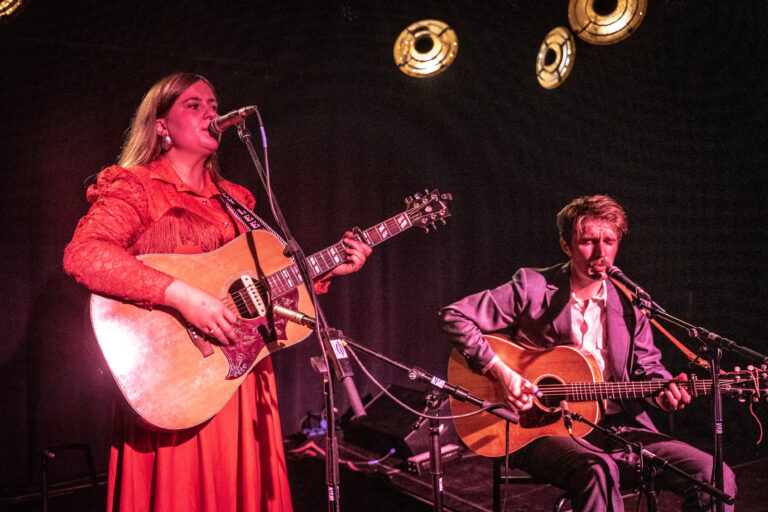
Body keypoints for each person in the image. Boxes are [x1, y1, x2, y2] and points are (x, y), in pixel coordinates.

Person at [63, 72, 372, 512]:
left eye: (213, 103)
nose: (212, 112)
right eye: (194, 104)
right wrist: (182, 295)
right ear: (161, 126)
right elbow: (85, 255)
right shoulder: (135, 186)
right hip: (171, 374)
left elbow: (267, 285)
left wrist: (326, 271)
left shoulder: (237, 199)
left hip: (236, 375)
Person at [440, 195, 737, 511]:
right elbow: (453, 316)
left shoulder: (631, 304)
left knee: (715, 476)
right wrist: (503, 374)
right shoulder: (533, 286)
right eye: (588, 241)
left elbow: (648, 370)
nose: (601, 252)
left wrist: (662, 393)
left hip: (618, 429)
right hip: (537, 429)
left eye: (609, 241)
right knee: (598, 470)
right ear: (566, 246)